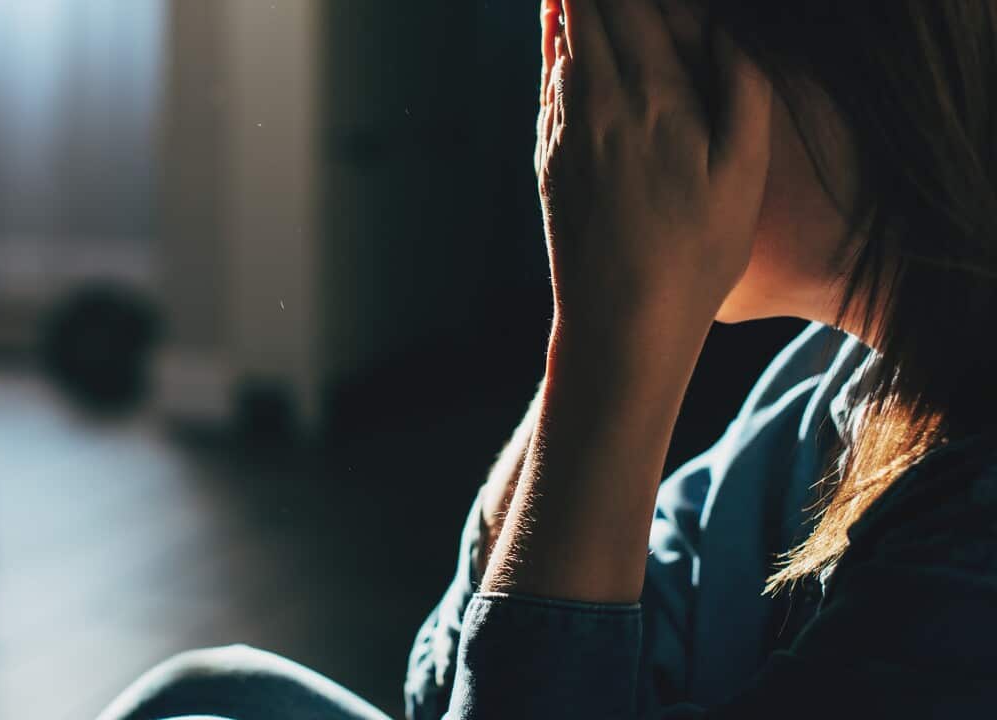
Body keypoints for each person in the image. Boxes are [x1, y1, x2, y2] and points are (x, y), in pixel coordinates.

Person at [98, 1, 997, 717]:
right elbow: (451, 690)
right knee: (206, 701)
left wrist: (617, 337)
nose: (593, 87)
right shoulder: (827, 387)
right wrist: (597, 332)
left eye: (639, 38)